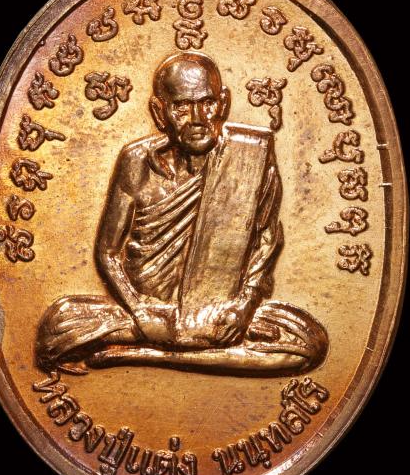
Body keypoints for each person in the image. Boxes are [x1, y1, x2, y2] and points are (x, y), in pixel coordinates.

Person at [36, 51, 328, 375]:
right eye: (182, 107)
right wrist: (140, 311)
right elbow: (107, 252)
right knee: (58, 325)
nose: (198, 119)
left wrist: (243, 307)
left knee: (306, 341)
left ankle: (145, 355)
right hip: (149, 312)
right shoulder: (136, 162)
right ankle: (186, 346)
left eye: (208, 103)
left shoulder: (251, 156)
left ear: (224, 103)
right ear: (159, 112)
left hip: (218, 314)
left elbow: (268, 240)